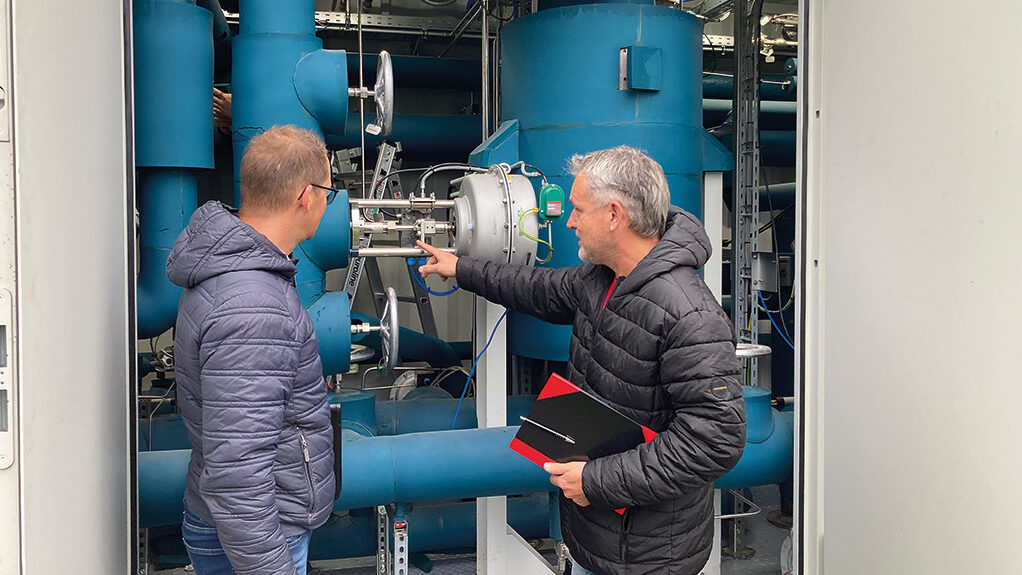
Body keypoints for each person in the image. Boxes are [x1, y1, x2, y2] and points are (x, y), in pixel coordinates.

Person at [417, 146, 746, 575]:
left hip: (649, 554)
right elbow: (539, 288)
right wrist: (462, 268)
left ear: (614, 215)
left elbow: (715, 439)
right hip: (599, 532)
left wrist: (596, 481)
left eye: (577, 210)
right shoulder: (604, 277)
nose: (569, 221)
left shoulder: (689, 313)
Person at [167, 125, 340, 575]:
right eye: (329, 191)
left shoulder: (235, 271)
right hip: (257, 535)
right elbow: (238, 473)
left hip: (237, 525)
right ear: (307, 196)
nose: (326, 202)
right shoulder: (254, 304)